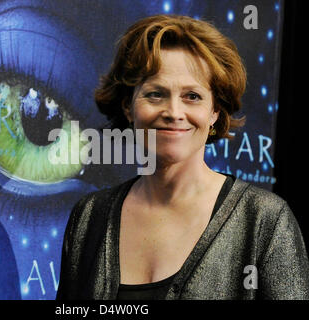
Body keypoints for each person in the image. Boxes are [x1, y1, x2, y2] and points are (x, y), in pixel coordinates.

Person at [56, 14, 309, 300]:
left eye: (192, 96)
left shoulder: (265, 220)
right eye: (155, 94)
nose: (174, 112)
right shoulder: (89, 217)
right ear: (128, 107)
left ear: (215, 111)